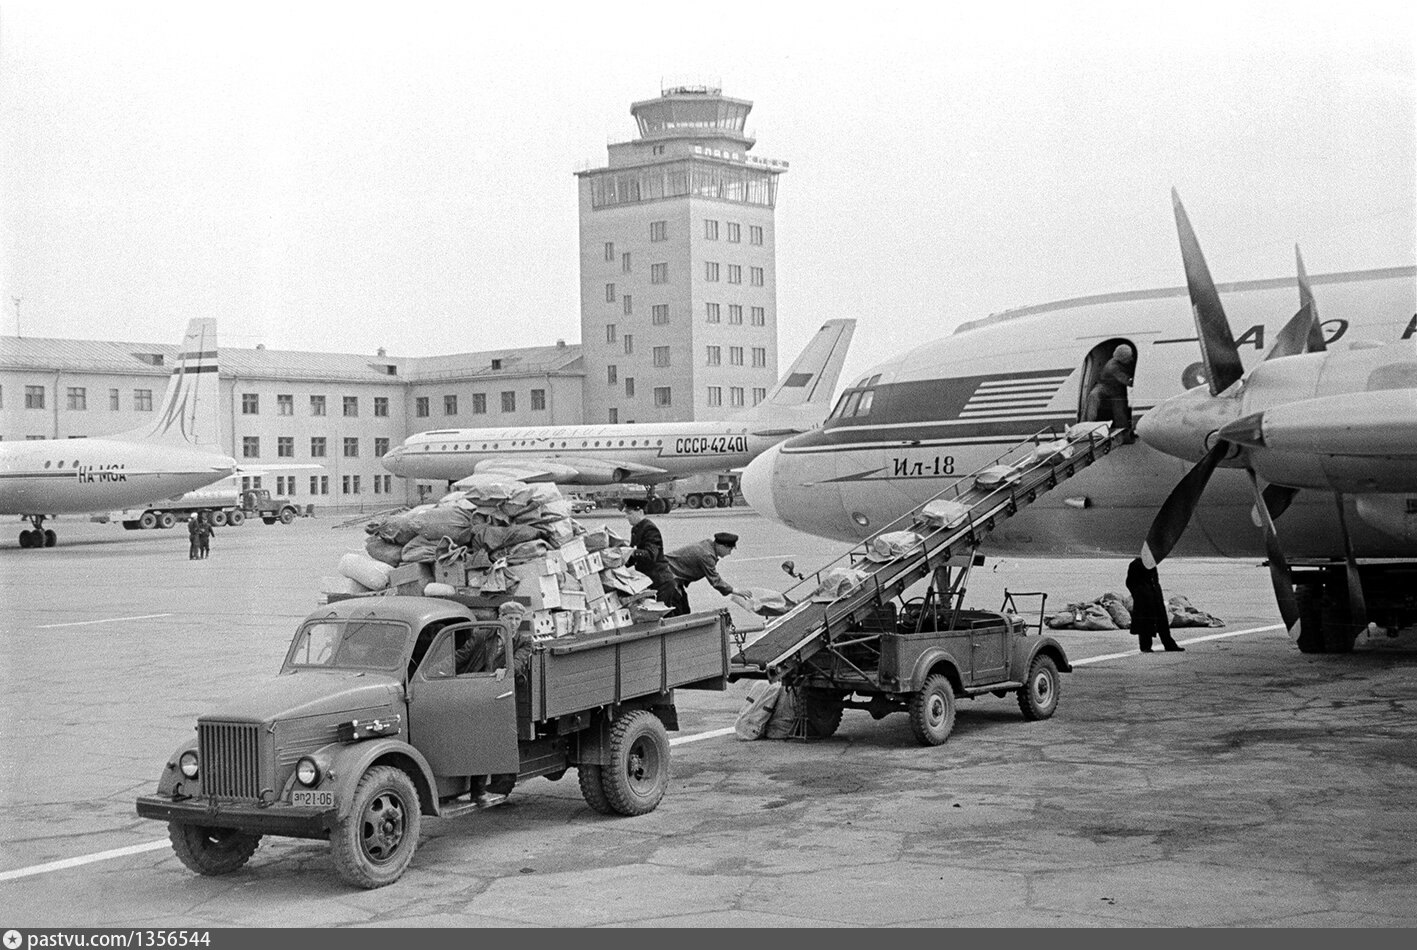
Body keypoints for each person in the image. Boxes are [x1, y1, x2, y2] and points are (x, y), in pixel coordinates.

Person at [469, 601, 532, 808]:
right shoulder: (483, 636)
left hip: (501, 695)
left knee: (491, 740)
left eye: (517, 619)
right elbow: (462, 655)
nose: (513, 623)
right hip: (478, 692)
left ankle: (480, 791)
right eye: (509, 618)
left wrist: (506, 669)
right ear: (501, 618)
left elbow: (518, 662)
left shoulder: (524, 642)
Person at [621, 497, 680, 611]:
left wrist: (632, 552)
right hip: (649, 580)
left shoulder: (649, 529)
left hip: (661, 582)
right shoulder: (636, 529)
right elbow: (633, 557)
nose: (626, 516)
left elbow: (651, 555)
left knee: (660, 615)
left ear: (640, 512)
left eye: (629, 513)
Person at [664, 532, 739, 617]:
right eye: (729, 550)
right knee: (676, 612)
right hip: (665, 577)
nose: (729, 553)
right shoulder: (707, 555)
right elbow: (715, 580)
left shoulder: (708, 545)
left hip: (670, 577)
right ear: (722, 546)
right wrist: (735, 591)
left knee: (684, 610)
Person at [1125, 557, 1184, 653]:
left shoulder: (1151, 564)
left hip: (1155, 596)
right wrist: (1139, 594)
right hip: (1144, 598)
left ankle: (1168, 644)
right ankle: (1145, 646)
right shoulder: (1136, 564)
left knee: (1162, 621)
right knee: (1145, 622)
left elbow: (1155, 581)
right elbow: (1130, 583)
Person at [1085, 344, 1135, 433]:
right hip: (1104, 386)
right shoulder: (1112, 367)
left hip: (1117, 388)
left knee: (1120, 412)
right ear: (1123, 359)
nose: (1130, 359)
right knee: (1093, 395)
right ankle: (1088, 425)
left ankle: (1124, 432)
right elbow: (1126, 381)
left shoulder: (1129, 361)